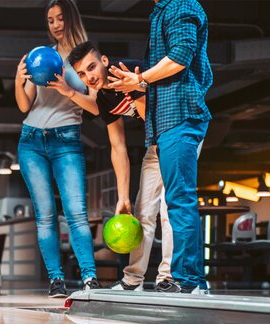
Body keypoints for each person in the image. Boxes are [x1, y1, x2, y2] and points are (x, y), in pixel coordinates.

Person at [106, 0, 213, 294]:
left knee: (179, 201)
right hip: (165, 124)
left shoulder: (181, 5)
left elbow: (179, 57)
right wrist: (140, 85)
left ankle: (190, 280)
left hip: (181, 116)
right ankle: (178, 278)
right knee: (174, 202)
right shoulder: (162, 11)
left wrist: (140, 78)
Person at [68, 41, 175, 292]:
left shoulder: (127, 70)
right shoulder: (104, 99)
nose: (89, 77)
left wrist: (163, 149)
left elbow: (151, 115)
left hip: (176, 135)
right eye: (82, 74)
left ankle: (169, 277)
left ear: (104, 60)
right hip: (156, 142)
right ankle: (133, 279)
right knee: (142, 210)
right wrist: (122, 197)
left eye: (91, 67)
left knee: (169, 209)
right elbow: (118, 148)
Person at [14, 0, 100, 298]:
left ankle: (89, 277)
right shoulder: (41, 56)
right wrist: (18, 79)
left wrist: (67, 89)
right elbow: (24, 105)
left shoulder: (85, 58)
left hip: (67, 139)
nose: (55, 25)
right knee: (46, 215)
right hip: (32, 141)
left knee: (76, 213)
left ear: (71, 19)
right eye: (50, 20)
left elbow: (95, 104)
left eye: (60, 18)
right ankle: (56, 280)